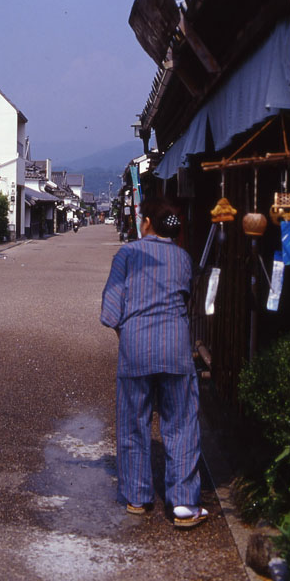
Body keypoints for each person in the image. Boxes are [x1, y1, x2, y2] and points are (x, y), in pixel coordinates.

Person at [100, 196, 208, 530]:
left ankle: (137, 496)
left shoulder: (127, 254)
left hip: (135, 347)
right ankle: (185, 504)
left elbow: (110, 312)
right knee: (181, 424)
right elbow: (187, 300)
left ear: (146, 222)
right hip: (175, 347)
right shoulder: (183, 258)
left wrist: (128, 330)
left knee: (134, 422)